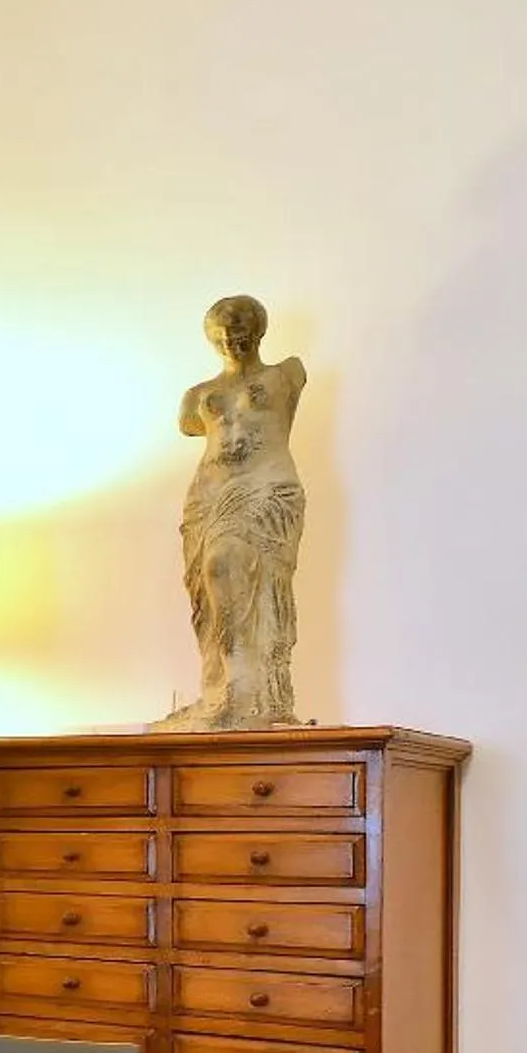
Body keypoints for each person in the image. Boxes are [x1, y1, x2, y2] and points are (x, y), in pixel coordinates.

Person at [153, 294, 307, 730]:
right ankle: (219, 690)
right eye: (222, 337)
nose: (232, 342)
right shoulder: (200, 396)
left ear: (258, 330)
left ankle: (242, 690)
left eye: (240, 332)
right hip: (209, 497)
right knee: (209, 592)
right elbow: (190, 425)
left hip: (265, 489)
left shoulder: (286, 375)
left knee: (224, 566)